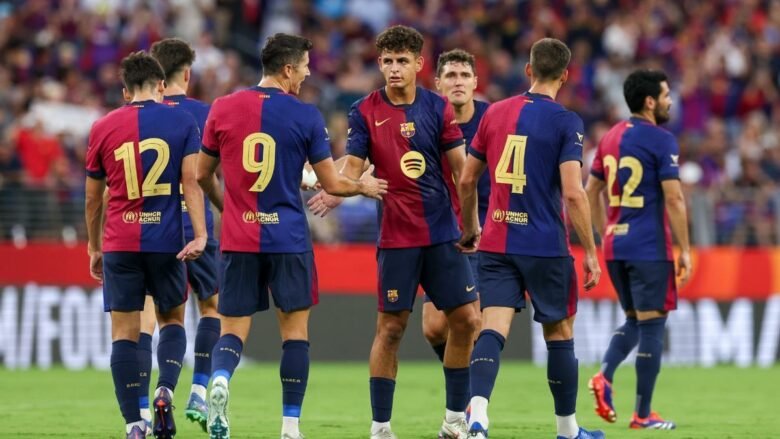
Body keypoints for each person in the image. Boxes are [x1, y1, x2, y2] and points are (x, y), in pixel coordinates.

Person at [196, 33, 387, 439]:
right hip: (288, 239)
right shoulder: (305, 116)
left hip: (239, 238)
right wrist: (363, 187)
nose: (306, 74)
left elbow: (201, 174)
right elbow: (332, 183)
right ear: (287, 69)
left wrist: (228, 208)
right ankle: (289, 427)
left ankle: (221, 379)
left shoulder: (223, 107)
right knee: (295, 334)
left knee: (231, 331)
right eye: (303, 67)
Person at [457, 38, 604, 439]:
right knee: (559, 334)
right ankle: (568, 430)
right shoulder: (566, 122)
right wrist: (591, 251)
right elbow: (573, 193)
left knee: (492, 330)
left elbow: (467, 179)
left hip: (496, 241)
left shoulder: (494, 113)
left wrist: (470, 228)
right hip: (544, 246)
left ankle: (478, 417)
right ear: (566, 76)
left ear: (528, 70)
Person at [340, 25, 479, 439]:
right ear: (380, 63)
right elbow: (351, 170)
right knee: (391, 329)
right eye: (387, 61)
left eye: (402, 60)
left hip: (442, 235)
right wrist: (355, 185)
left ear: (419, 63)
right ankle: (381, 428)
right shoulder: (363, 111)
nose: (394, 68)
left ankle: (454, 421)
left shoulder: (438, 108)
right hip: (397, 239)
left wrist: (469, 225)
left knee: (467, 320)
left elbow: (462, 172)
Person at [85, 51, 207, 439]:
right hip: (166, 241)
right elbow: (191, 183)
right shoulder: (182, 121)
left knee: (124, 333)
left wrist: (94, 246)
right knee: (172, 321)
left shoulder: (102, 127)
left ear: (125, 91)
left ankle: (134, 424)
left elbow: (93, 198)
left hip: (120, 242)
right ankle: (164, 390)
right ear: (161, 86)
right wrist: (200, 234)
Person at [585, 69, 691, 431]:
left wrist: (605, 231)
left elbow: (591, 191)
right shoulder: (661, 140)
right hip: (649, 246)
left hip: (616, 245)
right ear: (650, 101)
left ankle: (604, 376)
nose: (670, 101)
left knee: (634, 320)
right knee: (653, 325)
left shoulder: (609, 137)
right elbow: (674, 199)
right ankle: (642, 415)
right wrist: (686, 249)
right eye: (666, 95)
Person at [148, 37, 221, 433]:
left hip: (155, 228)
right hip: (197, 225)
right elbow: (212, 173)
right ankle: (199, 390)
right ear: (188, 74)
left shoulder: (144, 116)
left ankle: (164, 391)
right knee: (211, 307)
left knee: (169, 319)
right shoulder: (206, 114)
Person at [421, 48, 490, 363]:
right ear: (438, 82)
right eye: (450, 75)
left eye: (464, 75)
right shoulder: (426, 120)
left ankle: (470, 390)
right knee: (434, 328)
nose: (458, 81)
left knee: (471, 322)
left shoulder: (491, 120)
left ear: (475, 81)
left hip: (479, 232)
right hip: (439, 233)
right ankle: (464, 381)